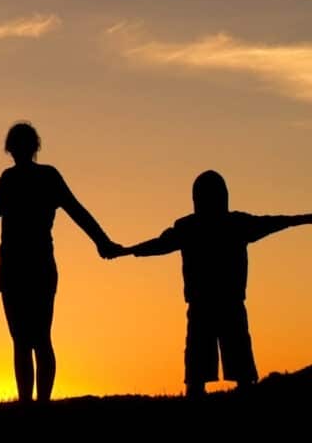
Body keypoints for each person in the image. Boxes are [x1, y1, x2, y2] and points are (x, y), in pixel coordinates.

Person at [0, 122, 120, 403]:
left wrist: (102, 241)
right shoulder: (30, 178)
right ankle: (33, 403)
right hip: (25, 266)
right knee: (33, 338)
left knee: (30, 339)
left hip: (27, 266)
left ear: (14, 148)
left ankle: (34, 402)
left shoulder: (34, 177)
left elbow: (75, 210)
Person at [115, 170, 312, 397]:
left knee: (215, 372)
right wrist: (129, 251)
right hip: (218, 305)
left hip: (215, 306)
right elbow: (160, 244)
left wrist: (127, 251)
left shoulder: (196, 227)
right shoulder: (230, 224)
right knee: (216, 372)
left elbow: (160, 244)